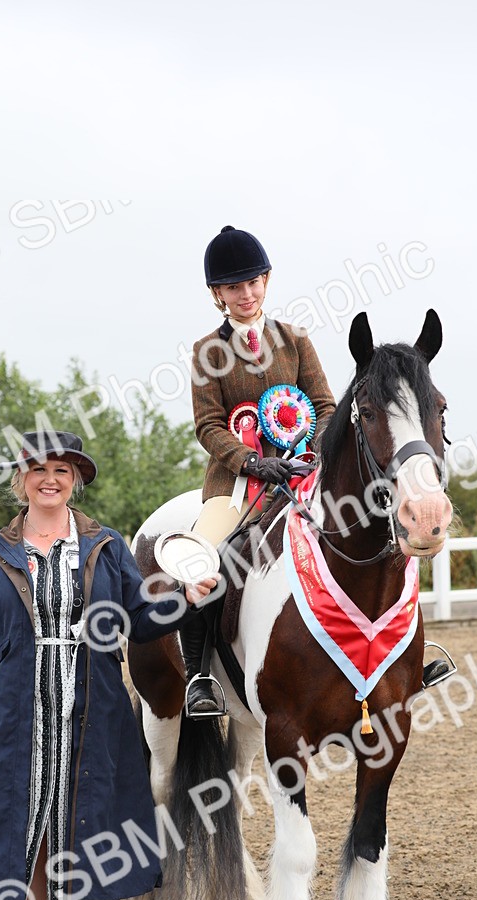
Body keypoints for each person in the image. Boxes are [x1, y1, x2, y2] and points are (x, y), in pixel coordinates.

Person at [0, 431, 218, 900]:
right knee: (34, 837)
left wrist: (188, 598)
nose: (51, 479)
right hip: (21, 719)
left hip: (96, 715)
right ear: (20, 480)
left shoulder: (105, 545)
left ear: (76, 481)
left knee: (90, 832)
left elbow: (140, 620)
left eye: (63, 471)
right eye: (39, 469)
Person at [182, 224, 336, 715]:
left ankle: (402, 655)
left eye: (252, 283)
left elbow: (325, 405)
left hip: (301, 474)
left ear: (266, 281)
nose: (245, 295)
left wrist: (308, 454)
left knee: (369, 528)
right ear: (217, 294)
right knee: (202, 557)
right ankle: (200, 675)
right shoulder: (208, 352)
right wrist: (251, 461)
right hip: (237, 485)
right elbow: (207, 424)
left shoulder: (295, 341)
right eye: (233, 287)